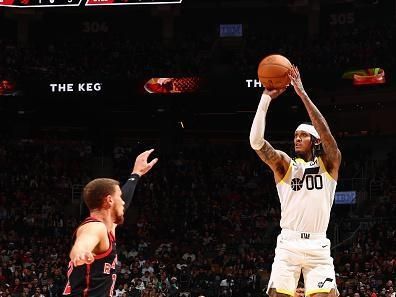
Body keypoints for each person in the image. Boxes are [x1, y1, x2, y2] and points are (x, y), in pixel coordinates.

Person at [249, 65, 341, 297]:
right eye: (295, 136)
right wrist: (264, 101)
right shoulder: (285, 165)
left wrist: (302, 95)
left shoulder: (329, 163)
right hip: (288, 243)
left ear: (316, 141)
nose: (297, 139)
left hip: (318, 245)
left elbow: (327, 134)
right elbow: (256, 142)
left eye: (303, 136)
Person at [62, 149, 158, 296]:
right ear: (109, 200)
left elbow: (124, 204)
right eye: (119, 196)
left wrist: (136, 174)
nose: (122, 201)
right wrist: (80, 252)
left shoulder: (108, 226)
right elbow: (84, 242)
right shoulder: (96, 227)